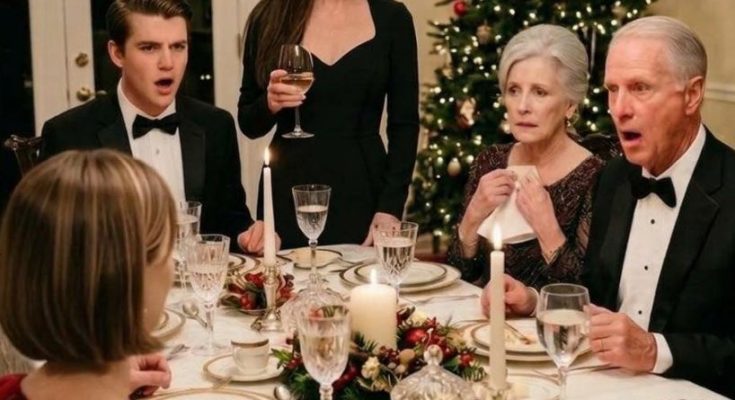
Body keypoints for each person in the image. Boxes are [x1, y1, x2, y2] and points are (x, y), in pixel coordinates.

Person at [483, 16, 735, 397]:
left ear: (692, 94)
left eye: (639, 88)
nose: (619, 109)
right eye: (612, 90)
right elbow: (595, 295)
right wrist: (534, 301)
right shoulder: (614, 178)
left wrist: (654, 350)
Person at [40, 0, 274, 254]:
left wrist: (249, 236)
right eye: (149, 48)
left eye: (178, 47)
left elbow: (230, 219)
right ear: (117, 53)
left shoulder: (216, 125)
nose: (167, 63)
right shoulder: (69, 134)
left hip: (197, 278)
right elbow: (53, 245)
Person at [238, 0, 419, 248]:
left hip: (364, 192)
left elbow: (405, 126)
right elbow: (248, 123)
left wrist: (390, 208)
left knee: (362, 274)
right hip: (287, 195)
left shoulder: (393, 18)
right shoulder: (268, 15)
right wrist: (269, 103)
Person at [0, 150, 177, 399]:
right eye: (169, 248)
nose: (173, 267)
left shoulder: (8, 387)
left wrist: (114, 378)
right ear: (127, 278)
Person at [447, 24, 604, 289]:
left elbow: (589, 295)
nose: (522, 107)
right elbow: (458, 276)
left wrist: (548, 229)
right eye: (514, 90)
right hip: (482, 314)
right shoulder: (490, 161)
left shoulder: (595, 176)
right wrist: (472, 218)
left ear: (570, 105)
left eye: (539, 92)